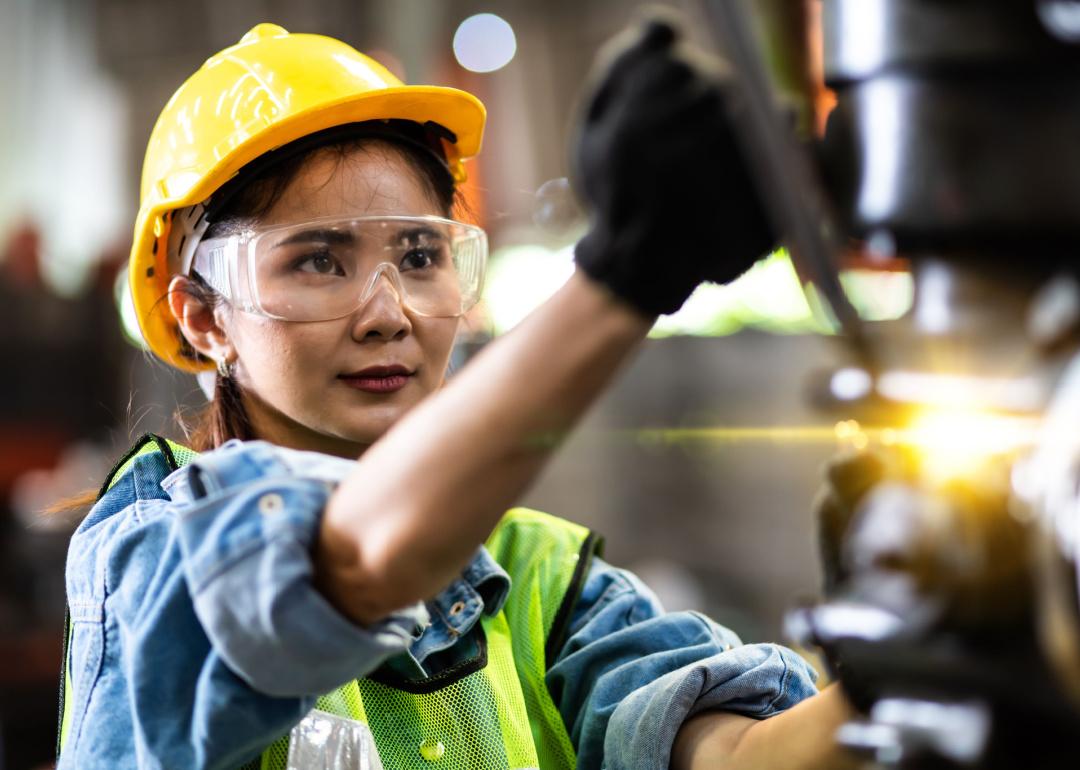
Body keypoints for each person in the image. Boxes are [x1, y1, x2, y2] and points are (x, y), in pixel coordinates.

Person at [56, 18, 856, 770]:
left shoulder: (538, 577)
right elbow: (350, 562)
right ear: (203, 317)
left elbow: (741, 757)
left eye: (418, 255)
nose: (387, 313)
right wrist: (626, 278)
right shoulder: (157, 549)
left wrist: (910, 661)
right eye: (316, 260)